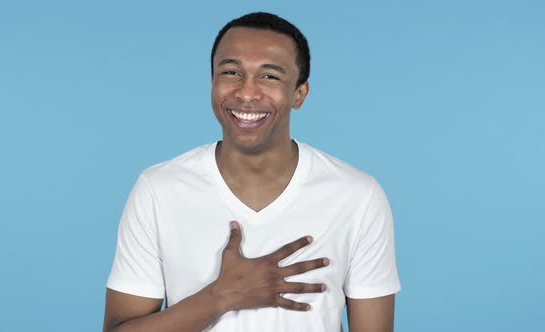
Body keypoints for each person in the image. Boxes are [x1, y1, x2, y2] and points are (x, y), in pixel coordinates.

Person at [103, 12, 400, 332]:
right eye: (231, 72)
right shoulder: (158, 189)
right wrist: (221, 296)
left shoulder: (357, 196)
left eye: (269, 76)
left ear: (299, 94)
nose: (246, 93)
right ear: (213, 82)